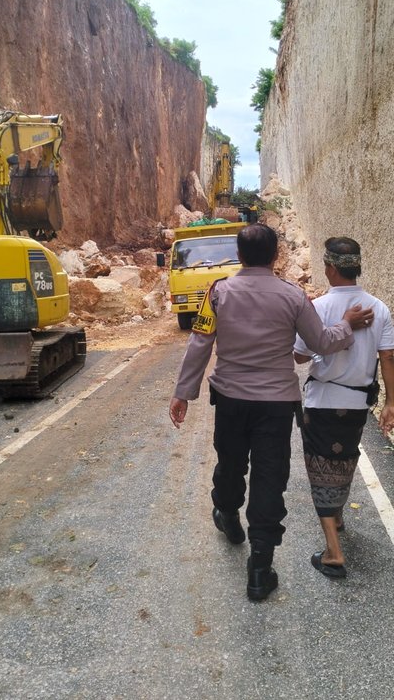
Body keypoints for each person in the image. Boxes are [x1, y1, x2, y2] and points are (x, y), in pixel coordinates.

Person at [169, 224, 374, 602]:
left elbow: (200, 342)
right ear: (276, 255)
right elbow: (321, 343)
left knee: (230, 461)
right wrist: (347, 325)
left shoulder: (218, 293)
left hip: (230, 400)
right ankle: (260, 570)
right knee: (269, 476)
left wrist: (184, 392)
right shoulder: (293, 297)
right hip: (277, 405)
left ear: (240, 254)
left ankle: (228, 515)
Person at [294, 236, 394, 579]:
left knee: (321, 469)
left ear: (330, 267)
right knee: (346, 459)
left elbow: (299, 355)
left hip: (322, 402)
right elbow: (388, 357)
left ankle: (334, 553)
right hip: (357, 405)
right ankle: (336, 517)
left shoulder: (318, 308)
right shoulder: (379, 308)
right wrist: (391, 402)